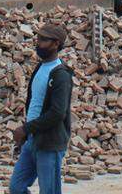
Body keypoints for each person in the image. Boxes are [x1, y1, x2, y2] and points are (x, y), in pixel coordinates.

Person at [10, 23, 74, 194]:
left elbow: (57, 113)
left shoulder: (61, 75)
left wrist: (25, 128)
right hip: (32, 140)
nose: (38, 43)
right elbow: (35, 104)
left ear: (56, 44)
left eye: (43, 40)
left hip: (49, 143)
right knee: (16, 188)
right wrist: (27, 132)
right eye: (38, 38)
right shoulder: (40, 68)